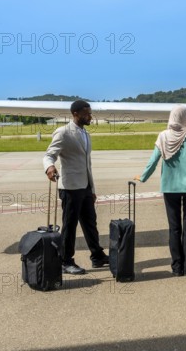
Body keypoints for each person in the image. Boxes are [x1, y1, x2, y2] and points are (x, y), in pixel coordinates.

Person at [135, 105, 186, 276]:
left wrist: (143, 177)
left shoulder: (163, 137)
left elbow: (153, 161)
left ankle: (176, 267)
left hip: (170, 188)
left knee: (174, 228)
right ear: (185, 118)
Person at [43, 100, 109, 275]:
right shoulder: (63, 132)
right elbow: (49, 155)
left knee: (90, 223)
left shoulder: (86, 134)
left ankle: (97, 256)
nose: (90, 116)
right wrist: (49, 167)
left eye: (90, 113)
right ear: (76, 114)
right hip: (70, 187)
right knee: (70, 226)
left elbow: (88, 165)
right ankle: (66, 261)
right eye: (87, 113)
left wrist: (92, 190)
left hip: (85, 186)